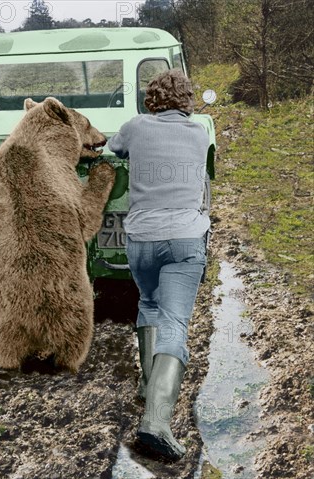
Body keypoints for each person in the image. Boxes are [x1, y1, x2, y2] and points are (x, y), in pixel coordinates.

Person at [108, 69, 210, 460]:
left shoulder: (135, 126)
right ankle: (156, 422)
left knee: (148, 305)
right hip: (185, 239)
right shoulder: (199, 131)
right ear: (186, 100)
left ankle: (149, 385)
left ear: (150, 100)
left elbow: (115, 148)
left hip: (142, 240)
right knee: (175, 324)